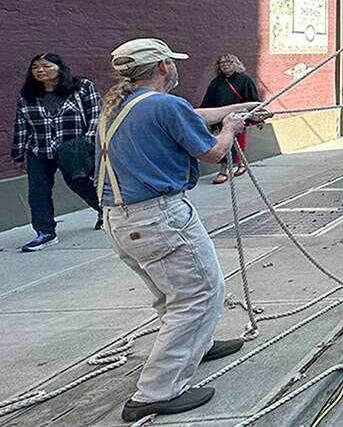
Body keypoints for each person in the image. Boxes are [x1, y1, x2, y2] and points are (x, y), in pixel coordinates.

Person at [97, 38, 259, 421]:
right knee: (200, 294)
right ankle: (156, 392)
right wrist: (231, 129)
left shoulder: (121, 103)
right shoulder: (164, 104)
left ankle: (195, 346)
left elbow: (191, 115)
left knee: (171, 295)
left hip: (121, 220)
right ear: (164, 66)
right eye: (174, 62)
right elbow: (215, 153)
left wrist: (236, 112)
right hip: (158, 218)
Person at [10, 53, 103, 251]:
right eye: (35, 67)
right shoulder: (27, 95)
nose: (40, 70)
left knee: (79, 183)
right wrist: (18, 154)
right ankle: (45, 233)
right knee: (38, 191)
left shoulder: (82, 87)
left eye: (46, 65)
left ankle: (105, 211)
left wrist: (88, 142)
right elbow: (21, 125)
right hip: (39, 150)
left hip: (72, 148)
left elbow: (96, 115)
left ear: (60, 67)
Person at [199, 54, 260, 184]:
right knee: (229, 142)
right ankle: (241, 164)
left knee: (233, 142)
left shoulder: (245, 79)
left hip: (238, 117)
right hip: (219, 118)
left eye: (228, 62)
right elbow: (207, 102)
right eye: (222, 63)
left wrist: (258, 117)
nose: (225, 65)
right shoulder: (216, 83)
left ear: (235, 63)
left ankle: (223, 170)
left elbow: (253, 99)